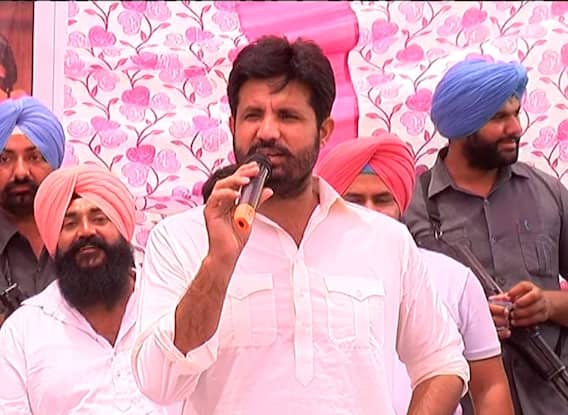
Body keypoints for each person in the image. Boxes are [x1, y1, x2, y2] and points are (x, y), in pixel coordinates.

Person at [132, 35, 469, 414]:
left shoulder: (385, 239)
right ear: (232, 125)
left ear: (324, 131)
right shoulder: (181, 239)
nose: (267, 132)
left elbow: (442, 362)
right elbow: (159, 385)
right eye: (253, 115)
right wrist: (217, 265)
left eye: (288, 116)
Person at [404, 58, 568, 415]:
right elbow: (389, 325)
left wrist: (547, 304)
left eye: (516, 113)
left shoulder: (549, 193)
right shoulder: (412, 209)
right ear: (461, 125)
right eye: (497, 118)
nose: (516, 128)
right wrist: (466, 319)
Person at [316, 135, 514, 415]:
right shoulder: (306, 277)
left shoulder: (454, 279)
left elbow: (489, 387)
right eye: (354, 200)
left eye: (382, 200)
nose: (370, 212)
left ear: (401, 204)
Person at [0, 165, 167, 414]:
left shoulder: (169, 305)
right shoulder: (22, 331)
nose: (86, 231)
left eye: (100, 219)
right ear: (54, 242)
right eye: (69, 224)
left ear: (124, 230)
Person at [0, 96, 65, 324]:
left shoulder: (87, 236)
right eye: (4, 159)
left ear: (55, 165)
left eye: (34, 157)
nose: (20, 172)